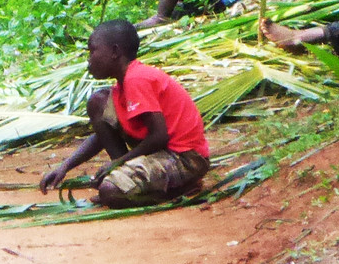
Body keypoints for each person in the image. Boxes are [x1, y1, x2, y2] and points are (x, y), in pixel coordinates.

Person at [38, 20, 211, 208]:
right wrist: (65, 166)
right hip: (166, 153)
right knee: (98, 102)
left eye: (93, 51)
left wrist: (119, 162)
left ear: (114, 52)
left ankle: (177, 191)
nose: (89, 59)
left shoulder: (136, 79)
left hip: (185, 159)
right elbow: (102, 136)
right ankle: (129, 180)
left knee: (110, 192)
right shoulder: (124, 84)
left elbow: (159, 136)